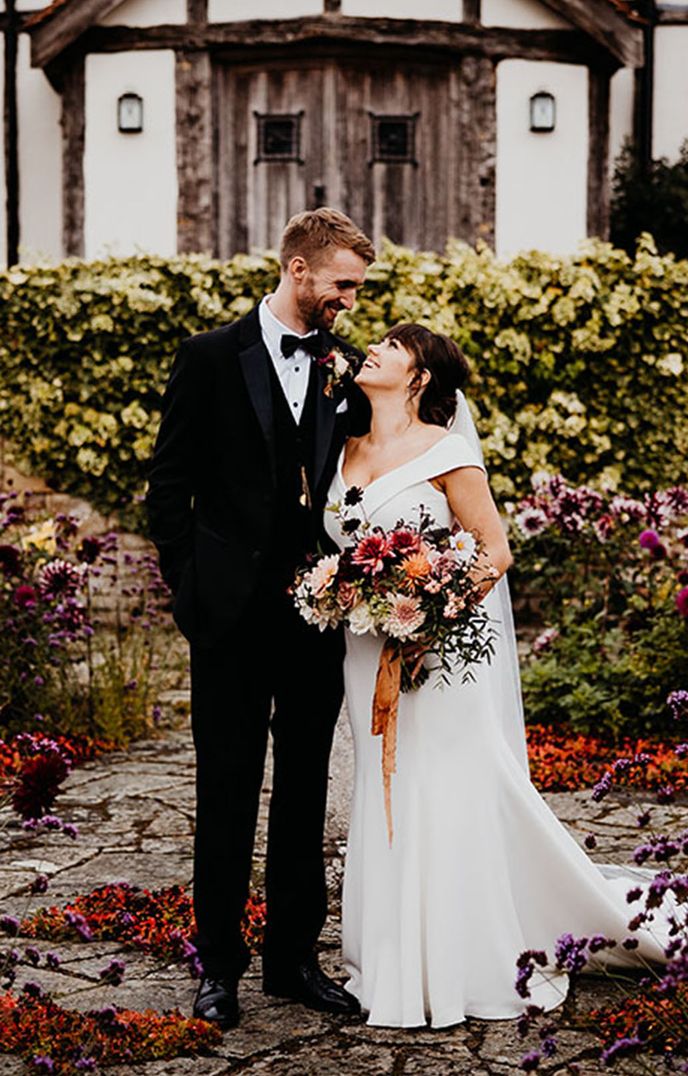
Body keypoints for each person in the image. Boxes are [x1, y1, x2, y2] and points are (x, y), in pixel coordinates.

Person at [323, 324, 676, 1029]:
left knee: (446, 789)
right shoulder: (343, 445)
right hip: (366, 653)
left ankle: (463, 958)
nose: (376, 349)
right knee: (384, 791)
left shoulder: (448, 451)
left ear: (419, 376)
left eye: (393, 346)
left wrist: (432, 617)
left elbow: (494, 550)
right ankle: (392, 959)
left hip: (441, 655)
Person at [146, 208, 375, 1029]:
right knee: (227, 790)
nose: (350, 299)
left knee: (306, 791)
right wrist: (189, 590)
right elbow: (167, 489)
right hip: (228, 619)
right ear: (299, 269)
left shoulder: (345, 367)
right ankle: (218, 969)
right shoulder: (208, 357)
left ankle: (292, 961)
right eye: (343, 284)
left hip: (314, 616)